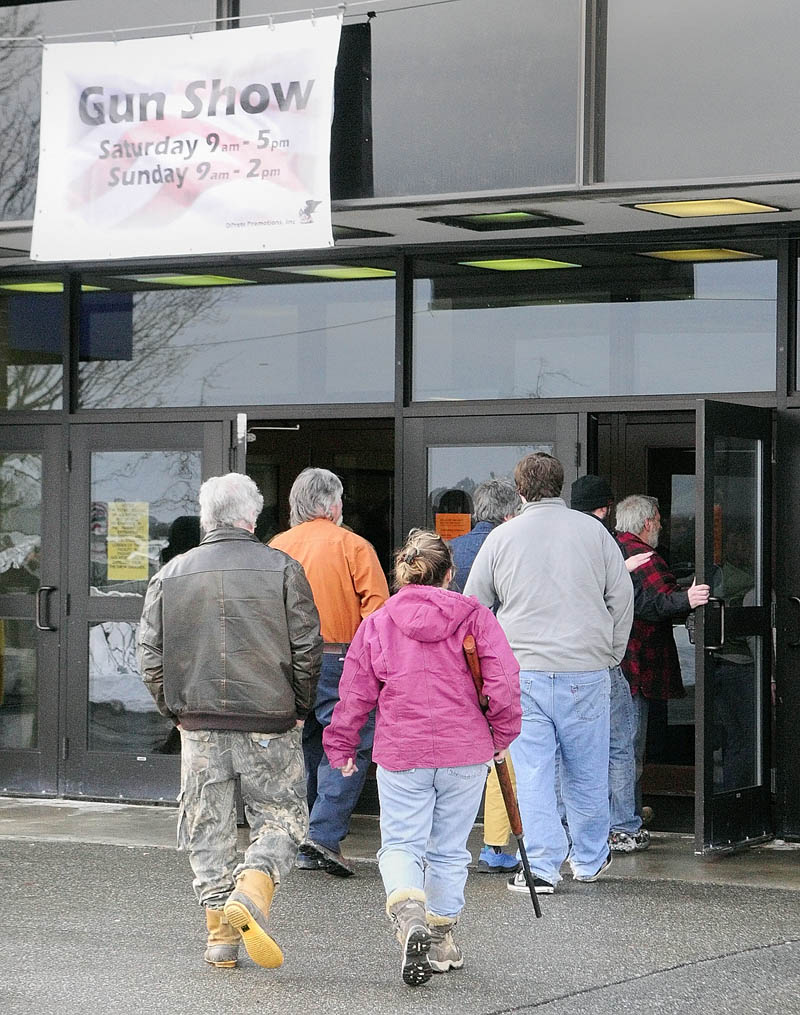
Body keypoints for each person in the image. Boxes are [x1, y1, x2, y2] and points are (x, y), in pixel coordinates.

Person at [137, 473, 322, 971]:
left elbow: (149, 656)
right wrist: (299, 708)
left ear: (207, 518)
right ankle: (254, 886)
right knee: (282, 817)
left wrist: (174, 709)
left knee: (206, 824)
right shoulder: (283, 568)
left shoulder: (170, 573)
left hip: (198, 724)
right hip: (270, 720)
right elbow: (307, 650)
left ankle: (220, 936)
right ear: (252, 517)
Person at [323, 529, 521, 986]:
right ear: (450, 574)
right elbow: (504, 682)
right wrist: (503, 734)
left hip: (402, 750)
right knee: (449, 849)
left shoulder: (379, 621)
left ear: (402, 575)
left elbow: (354, 692)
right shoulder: (474, 616)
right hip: (464, 749)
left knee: (400, 844)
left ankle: (408, 908)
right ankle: (441, 936)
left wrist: (341, 744)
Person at [465, 453, 633, 895]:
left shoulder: (503, 537)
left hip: (522, 671)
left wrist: (488, 664)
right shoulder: (594, 532)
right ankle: (590, 857)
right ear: (560, 486)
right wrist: (611, 651)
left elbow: (475, 606)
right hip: (586, 666)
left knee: (534, 772)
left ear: (519, 491)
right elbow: (621, 595)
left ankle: (540, 866)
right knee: (587, 768)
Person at [270, 467, 390, 876]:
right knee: (348, 745)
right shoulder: (354, 546)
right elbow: (378, 615)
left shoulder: (276, 547)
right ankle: (322, 836)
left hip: (287, 660)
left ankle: (301, 833)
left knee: (302, 745)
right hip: (341, 660)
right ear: (334, 504)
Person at [614, 494, 710, 825]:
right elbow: (653, 604)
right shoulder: (643, 556)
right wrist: (689, 599)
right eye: (658, 520)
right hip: (637, 665)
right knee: (629, 749)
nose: (661, 526)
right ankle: (625, 821)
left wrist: (681, 593)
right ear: (647, 523)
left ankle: (628, 813)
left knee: (621, 747)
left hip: (618, 664)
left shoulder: (614, 549)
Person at [570, 475, 653, 854]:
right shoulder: (607, 542)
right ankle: (621, 825)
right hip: (601, 659)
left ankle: (570, 825)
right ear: (605, 509)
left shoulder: (555, 540)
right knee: (619, 744)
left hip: (554, 662)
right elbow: (619, 605)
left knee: (565, 749)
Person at [448, 478, 522, 875]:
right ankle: (494, 845)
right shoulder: (515, 549)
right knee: (500, 752)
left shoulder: (450, 552)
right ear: (511, 514)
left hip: (449, 669)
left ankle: (444, 843)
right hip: (496, 667)